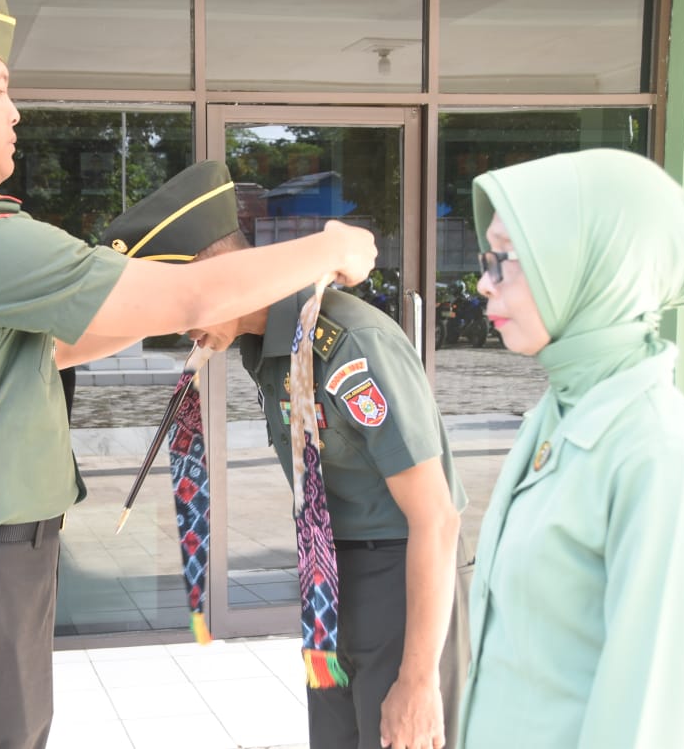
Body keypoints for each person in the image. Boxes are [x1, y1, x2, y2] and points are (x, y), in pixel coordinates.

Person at [0, 1, 377, 747]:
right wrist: (332, 245)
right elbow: (189, 290)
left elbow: (58, 348)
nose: (16, 111)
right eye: (0, 89)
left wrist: (187, 320)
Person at [100, 160, 471, 749]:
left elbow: (437, 516)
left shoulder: (348, 342)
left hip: (400, 578)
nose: (175, 325)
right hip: (330, 577)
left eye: (180, 301)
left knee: (400, 732)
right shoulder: (267, 348)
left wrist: (419, 680)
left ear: (220, 277)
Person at [457, 149, 684, 748]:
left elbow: (646, 724)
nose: (485, 280)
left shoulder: (657, 452)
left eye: (504, 257)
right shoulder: (556, 413)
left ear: (594, 265)